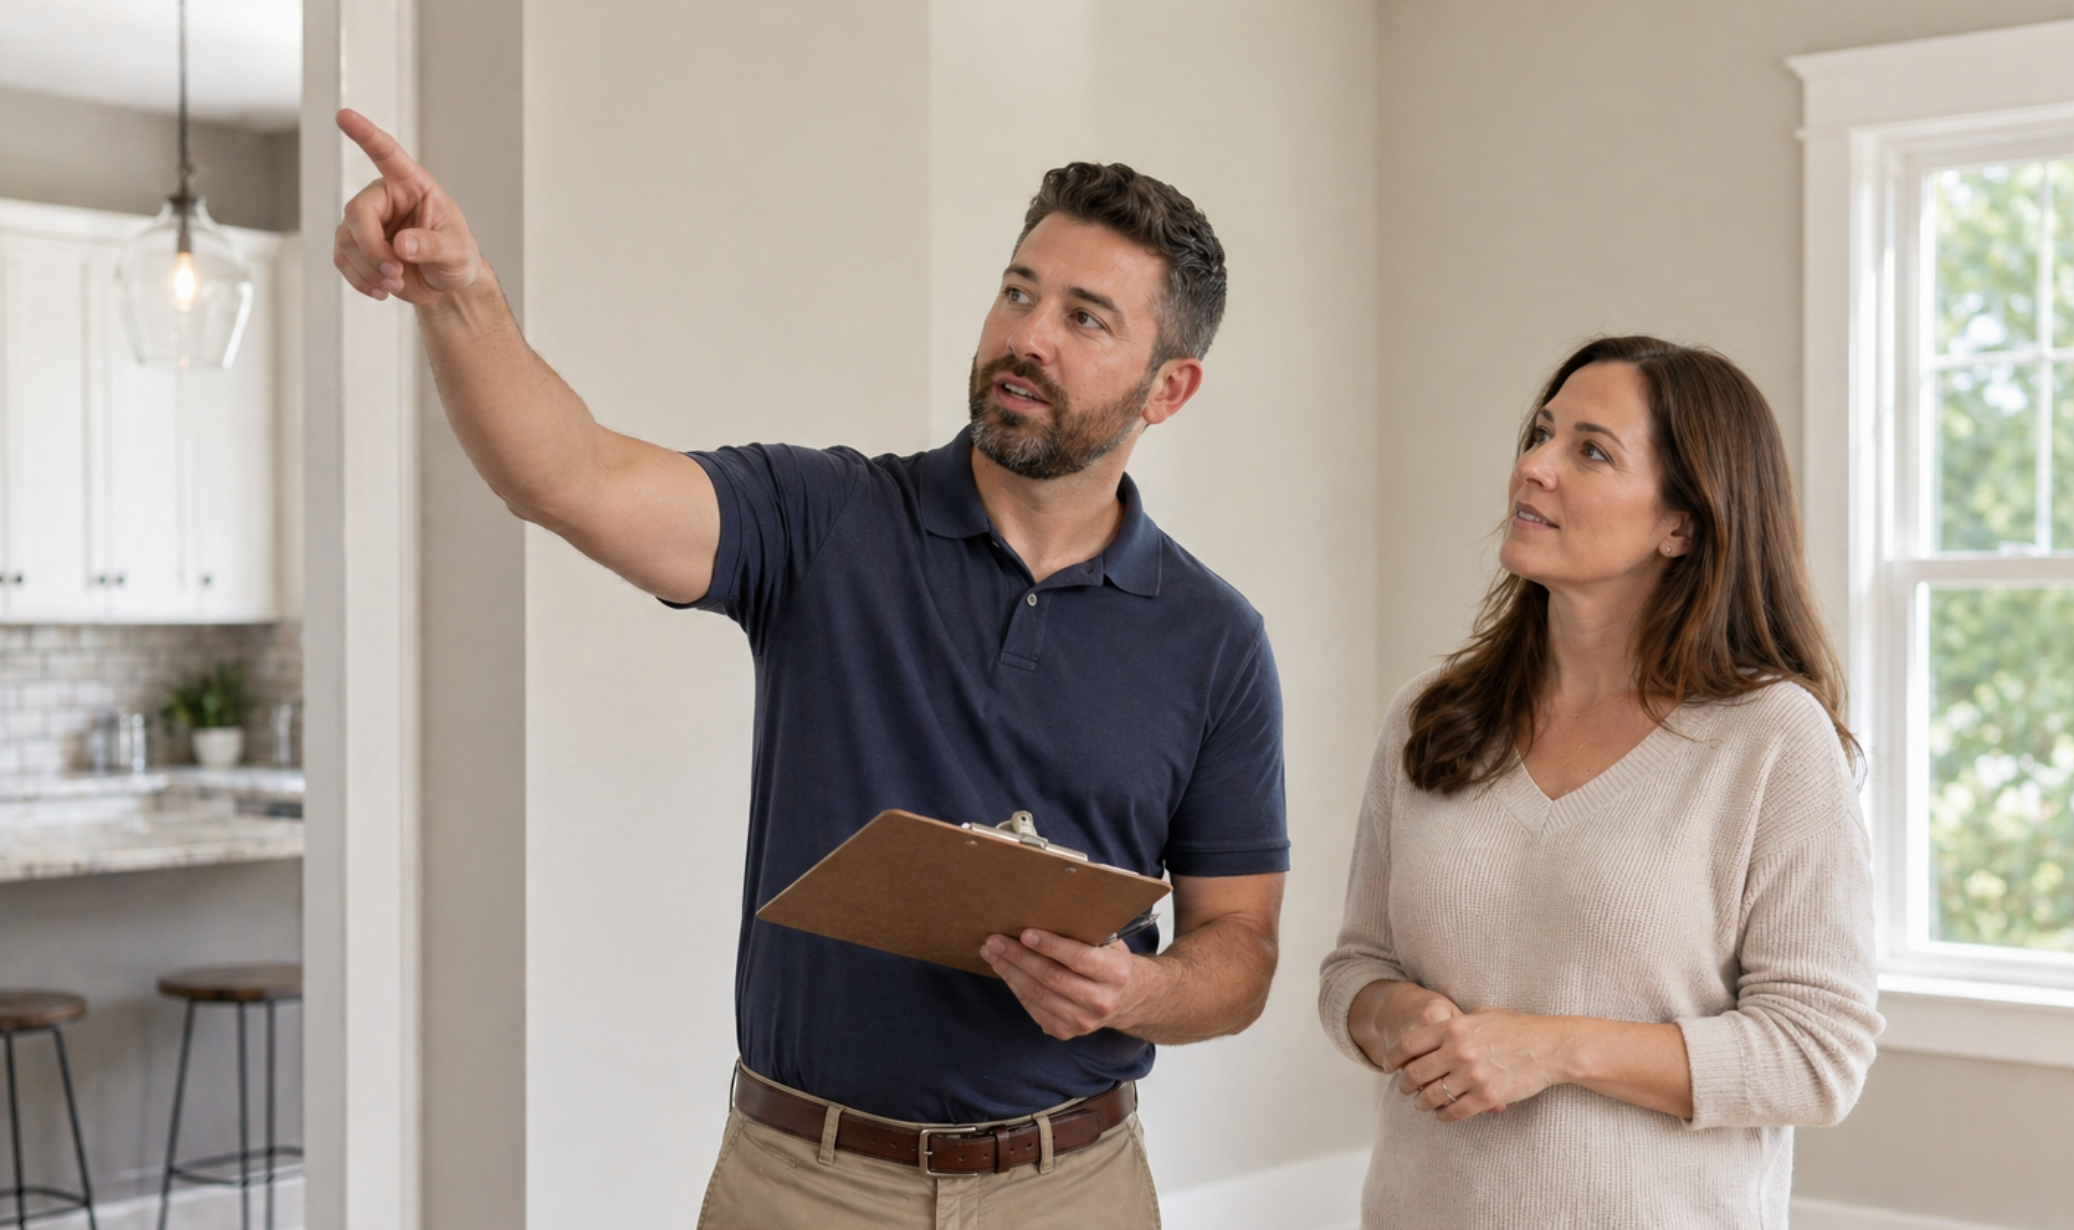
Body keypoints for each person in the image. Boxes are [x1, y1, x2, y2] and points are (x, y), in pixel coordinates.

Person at [330, 110, 1289, 1229]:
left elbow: (1241, 953)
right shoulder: (827, 520)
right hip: (801, 1185)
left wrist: (1141, 990)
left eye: (1085, 318)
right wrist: (457, 292)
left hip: (1072, 1188)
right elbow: (571, 478)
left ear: (1166, 390)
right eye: (1018, 292)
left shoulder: (1215, 639)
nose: (1029, 336)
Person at [1318, 336, 1881, 1227]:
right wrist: (1392, 1016)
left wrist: (1552, 1050)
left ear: (1681, 523)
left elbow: (1818, 1058)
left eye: (1590, 450)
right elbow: (1355, 966)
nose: (1533, 467)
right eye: (1540, 435)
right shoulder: (1433, 716)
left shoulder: (1771, 740)